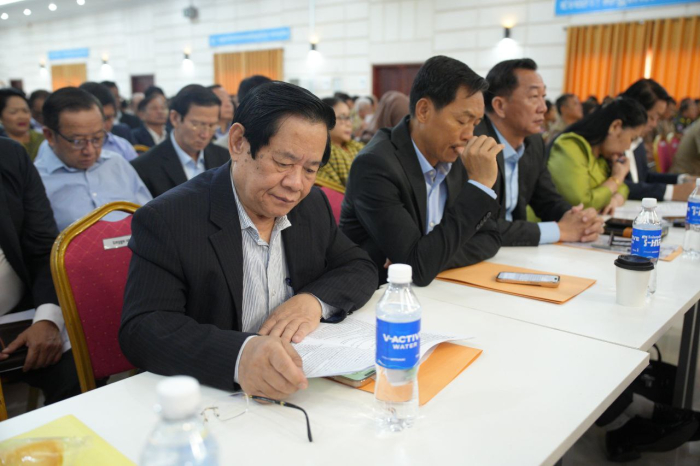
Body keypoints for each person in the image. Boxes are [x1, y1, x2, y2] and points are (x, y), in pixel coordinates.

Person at [119, 82, 377, 398]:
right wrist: (239, 355)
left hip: (307, 387)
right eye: (283, 163)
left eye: (310, 170)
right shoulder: (169, 218)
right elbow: (143, 328)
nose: (296, 184)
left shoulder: (311, 205)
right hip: (214, 399)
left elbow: (358, 265)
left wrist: (312, 302)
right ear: (239, 142)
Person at [341, 56, 503, 287]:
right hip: (376, 295)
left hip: (435, 291)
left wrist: (431, 256)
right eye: (461, 121)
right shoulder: (375, 165)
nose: (469, 135)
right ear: (424, 110)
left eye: (475, 124)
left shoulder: (456, 156)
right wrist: (479, 185)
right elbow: (418, 269)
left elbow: (491, 238)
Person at [474, 58, 603, 247]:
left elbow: (548, 201)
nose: (543, 108)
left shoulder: (533, 143)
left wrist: (580, 220)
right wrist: (560, 230)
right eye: (534, 97)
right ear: (500, 106)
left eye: (543, 96)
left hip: (516, 250)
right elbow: (479, 225)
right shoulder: (475, 146)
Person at [0, 137, 80, 404]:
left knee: (80, 370)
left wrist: (47, 319)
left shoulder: (10, 155)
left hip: (18, 314)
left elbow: (44, 248)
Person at [34, 88, 152, 231]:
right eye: (78, 141)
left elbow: (149, 215)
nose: (89, 151)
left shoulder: (117, 164)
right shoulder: (38, 180)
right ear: (49, 135)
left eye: (97, 138)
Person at [548, 98, 648, 214]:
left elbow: (623, 188)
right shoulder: (569, 147)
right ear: (615, 126)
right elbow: (581, 203)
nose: (628, 147)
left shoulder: (602, 156)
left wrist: (615, 200)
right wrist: (617, 177)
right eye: (632, 138)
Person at [131, 85, 229, 198]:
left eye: (211, 125)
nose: (205, 135)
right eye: (196, 125)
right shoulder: (144, 167)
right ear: (175, 118)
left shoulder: (225, 158)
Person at [620, 79, 697, 201]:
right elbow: (619, 186)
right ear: (634, 110)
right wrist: (671, 192)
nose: (654, 124)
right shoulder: (612, 141)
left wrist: (681, 179)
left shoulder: (638, 141)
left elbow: (644, 177)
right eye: (652, 117)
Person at [78, 82, 138, 161]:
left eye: (109, 118)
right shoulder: (71, 148)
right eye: (100, 119)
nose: (105, 124)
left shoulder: (123, 147)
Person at [315, 97, 364, 188]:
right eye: (342, 117)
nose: (349, 124)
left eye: (349, 117)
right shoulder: (321, 155)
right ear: (324, 120)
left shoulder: (357, 147)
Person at [0, 88, 45, 161]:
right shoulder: (3, 145)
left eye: (25, 111)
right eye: (13, 112)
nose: (22, 116)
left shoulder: (44, 140)